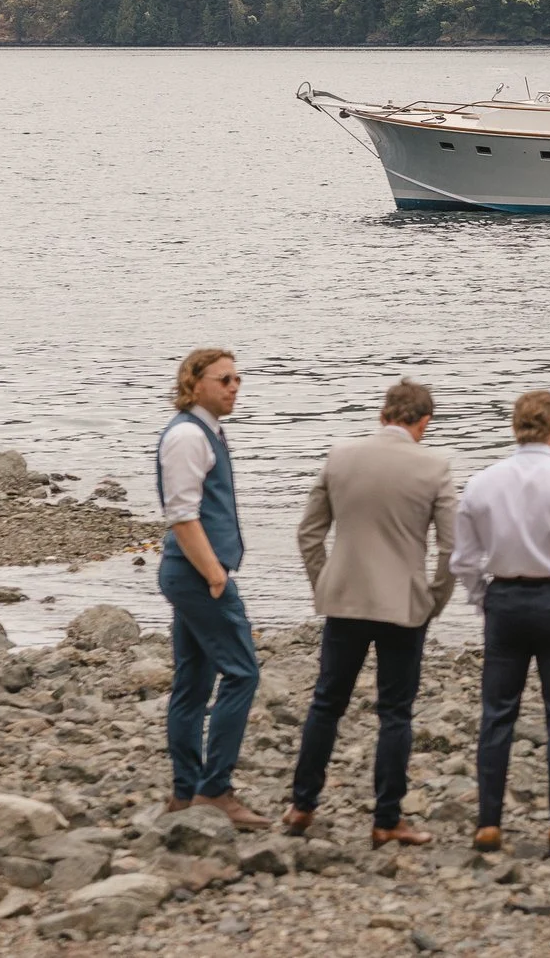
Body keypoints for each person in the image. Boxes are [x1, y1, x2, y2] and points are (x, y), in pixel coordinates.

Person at [284, 379, 458, 846]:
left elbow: (309, 534)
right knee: (395, 712)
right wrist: (434, 599)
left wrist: (325, 583)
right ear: (423, 422)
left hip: (345, 599)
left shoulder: (340, 457)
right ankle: (386, 818)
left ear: (383, 416)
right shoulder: (435, 467)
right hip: (404, 604)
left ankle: (302, 806)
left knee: (327, 703)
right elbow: (453, 548)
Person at [452, 389, 550, 857]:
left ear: (514, 428)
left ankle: (488, 823)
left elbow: (464, 560)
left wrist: (483, 597)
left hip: (505, 596)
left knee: (497, 712)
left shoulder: (483, 483)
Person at [157, 347, 266, 831]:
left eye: (237, 379)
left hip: (194, 574)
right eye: (224, 379)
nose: (234, 387)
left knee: (195, 681)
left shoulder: (208, 433)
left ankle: (186, 791)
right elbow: (181, 514)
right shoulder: (186, 435)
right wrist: (217, 575)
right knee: (242, 673)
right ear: (194, 383)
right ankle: (215, 789)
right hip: (199, 575)